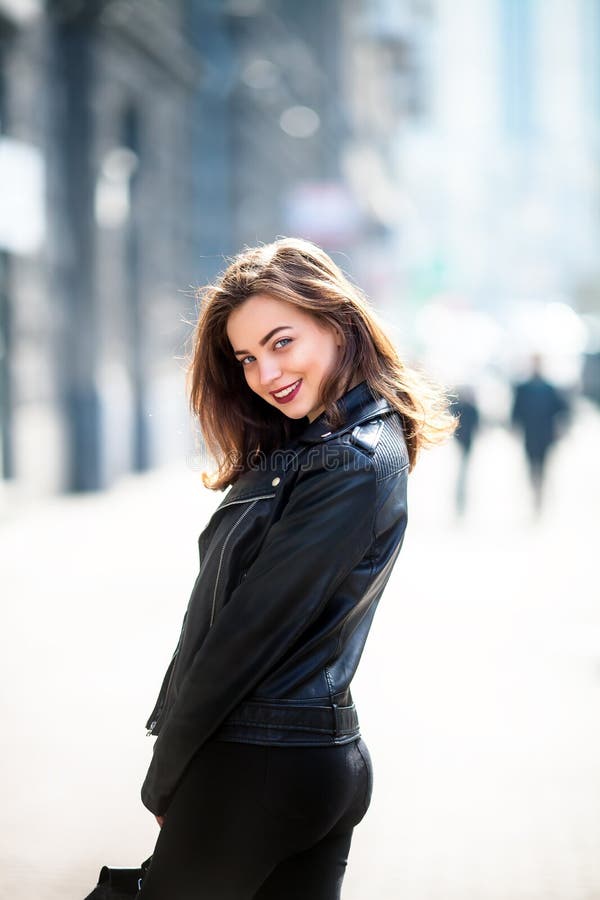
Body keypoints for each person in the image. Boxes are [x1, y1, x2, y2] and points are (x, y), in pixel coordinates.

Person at [136, 238, 456, 900]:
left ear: (337, 322)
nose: (264, 373)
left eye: (282, 342)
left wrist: (166, 770)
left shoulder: (347, 461)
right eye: (248, 358)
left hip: (259, 763)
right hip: (301, 760)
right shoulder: (322, 447)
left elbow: (245, 633)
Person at [511, 354, 569, 513]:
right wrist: (515, 428)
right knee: (531, 466)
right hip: (529, 435)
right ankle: (535, 493)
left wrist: (561, 429)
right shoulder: (523, 388)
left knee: (543, 467)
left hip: (545, 435)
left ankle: (540, 497)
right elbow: (516, 412)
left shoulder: (549, 388)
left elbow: (562, 411)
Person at [451, 385, 480, 516]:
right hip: (459, 444)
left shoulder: (471, 409)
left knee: (463, 473)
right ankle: (458, 498)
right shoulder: (459, 407)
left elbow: (476, 426)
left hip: (467, 444)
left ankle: (461, 498)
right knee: (460, 473)